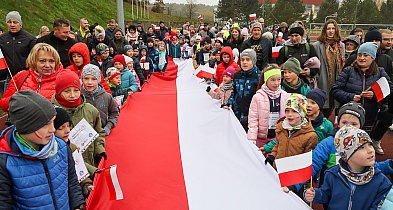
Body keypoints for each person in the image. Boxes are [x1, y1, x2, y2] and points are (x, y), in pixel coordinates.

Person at [0, 90, 85, 209]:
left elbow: (71, 180)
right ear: (27, 127)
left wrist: (77, 204)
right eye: (45, 124)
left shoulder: (60, 146)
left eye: (52, 122)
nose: (53, 129)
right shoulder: (6, 161)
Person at [304, 125, 392, 210]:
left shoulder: (382, 183)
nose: (370, 150)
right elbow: (326, 195)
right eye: (361, 147)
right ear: (347, 155)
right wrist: (315, 195)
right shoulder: (332, 174)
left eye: (370, 145)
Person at [332, 42, 393, 155]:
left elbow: (389, 91)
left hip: (369, 118)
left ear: (372, 57)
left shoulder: (380, 72)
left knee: (362, 147)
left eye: (365, 55)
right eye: (359, 55)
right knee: (345, 146)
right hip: (350, 117)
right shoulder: (348, 71)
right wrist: (351, 97)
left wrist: (374, 96)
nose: (361, 58)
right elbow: (335, 90)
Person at [52, 70, 106, 177]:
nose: (72, 95)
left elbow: (99, 131)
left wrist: (99, 151)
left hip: (90, 162)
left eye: (76, 90)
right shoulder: (52, 113)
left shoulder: (90, 110)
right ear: (59, 91)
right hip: (65, 169)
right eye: (67, 91)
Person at [0, 43, 63, 112]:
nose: (47, 65)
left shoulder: (63, 78)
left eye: (51, 61)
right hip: (22, 121)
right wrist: (17, 100)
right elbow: (4, 105)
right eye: (42, 61)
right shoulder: (21, 76)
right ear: (34, 61)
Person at [265, 93, 318, 173]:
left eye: (294, 111)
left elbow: (308, 160)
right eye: (287, 111)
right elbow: (279, 144)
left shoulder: (310, 136)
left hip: (294, 175)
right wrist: (272, 155)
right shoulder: (281, 127)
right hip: (278, 170)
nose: (289, 115)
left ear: (302, 113)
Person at [54, 106, 94, 198]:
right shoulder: (47, 152)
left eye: (68, 126)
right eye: (61, 128)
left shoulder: (73, 147)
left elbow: (80, 172)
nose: (67, 130)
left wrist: (86, 185)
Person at [247, 67, 290, 148]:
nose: (276, 83)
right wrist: (252, 139)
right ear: (266, 80)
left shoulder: (285, 95)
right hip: (261, 138)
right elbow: (253, 119)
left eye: (279, 79)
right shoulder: (257, 97)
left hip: (277, 138)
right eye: (273, 80)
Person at [313, 19, 345, 117]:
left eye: (333, 28)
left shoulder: (341, 46)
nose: (331, 31)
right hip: (322, 81)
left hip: (335, 82)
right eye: (328, 29)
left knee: (331, 106)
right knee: (320, 108)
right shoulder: (317, 45)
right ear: (324, 30)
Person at [0, 11, 36, 91]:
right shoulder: (2, 39)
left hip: (26, 77)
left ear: (20, 23)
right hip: (10, 78)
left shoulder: (30, 39)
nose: (12, 24)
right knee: (7, 102)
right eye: (9, 22)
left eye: (15, 22)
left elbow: (35, 56)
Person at [227, 49, 261, 130]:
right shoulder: (237, 75)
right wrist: (229, 102)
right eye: (242, 60)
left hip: (250, 115)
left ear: (253, 61)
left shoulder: (259, 77)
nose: (244, 62)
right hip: (237, 113)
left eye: (248, 60)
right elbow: (234, 91)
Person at [81, 64, 119, 136]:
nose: (89, 82)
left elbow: (114, 114)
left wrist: (108, 126)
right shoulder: (79, 97)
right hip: (84, 136)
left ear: (98, 80)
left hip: (102, 134)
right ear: (82, 79)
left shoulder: (107, 97)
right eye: (86, 78)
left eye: (93, 79)